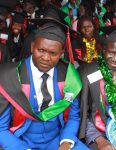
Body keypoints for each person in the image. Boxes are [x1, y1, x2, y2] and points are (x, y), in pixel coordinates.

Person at [0, 18, 89, 150]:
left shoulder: (69, 76)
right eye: (41, 50)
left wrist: (65, 142)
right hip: (22, 141)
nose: (46, 58)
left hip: (57, 139)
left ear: (61, 54)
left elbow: (73, 117)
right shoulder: (11, 77)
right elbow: (1, 128)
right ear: (32, 47)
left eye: (53, 53)